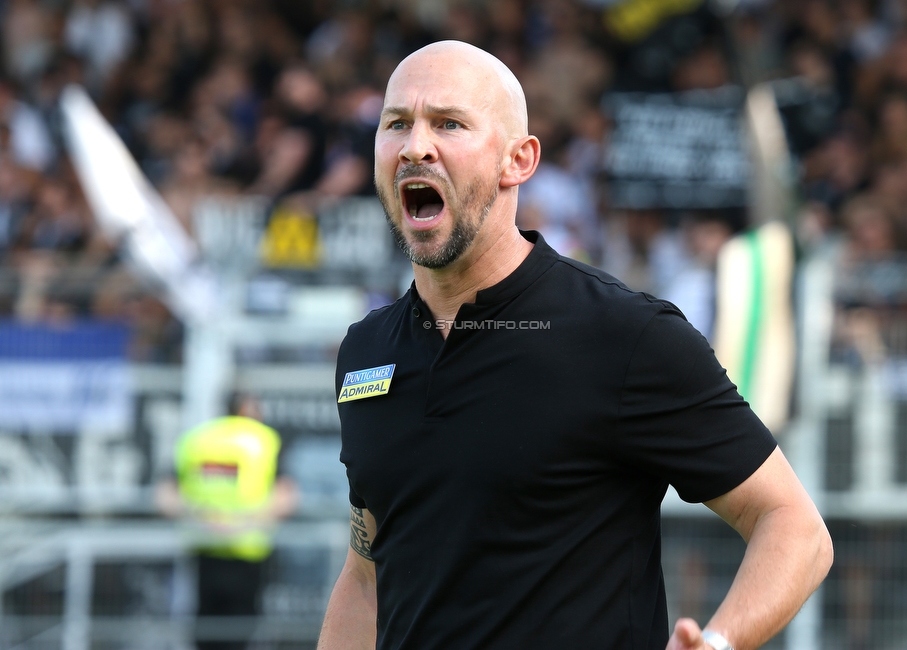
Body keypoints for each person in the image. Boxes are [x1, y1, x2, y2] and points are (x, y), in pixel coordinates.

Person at [317, 40, 833, 650]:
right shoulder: (365, 353)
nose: (415, 146)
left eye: (449, 123)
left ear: (519, 160)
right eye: (396, 124)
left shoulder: (626, 336)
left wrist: (719, 642)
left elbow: (795, 528)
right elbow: (366, 576)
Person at [157, 393, 299, 650]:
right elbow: (286, 498)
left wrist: (200, 517)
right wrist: (245, 522)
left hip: (204, 545)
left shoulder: (196, 439)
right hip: (249, 549)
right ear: (249, 409)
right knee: (240, 631)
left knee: (205, 629)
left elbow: (165, 496)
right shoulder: (264, 440)